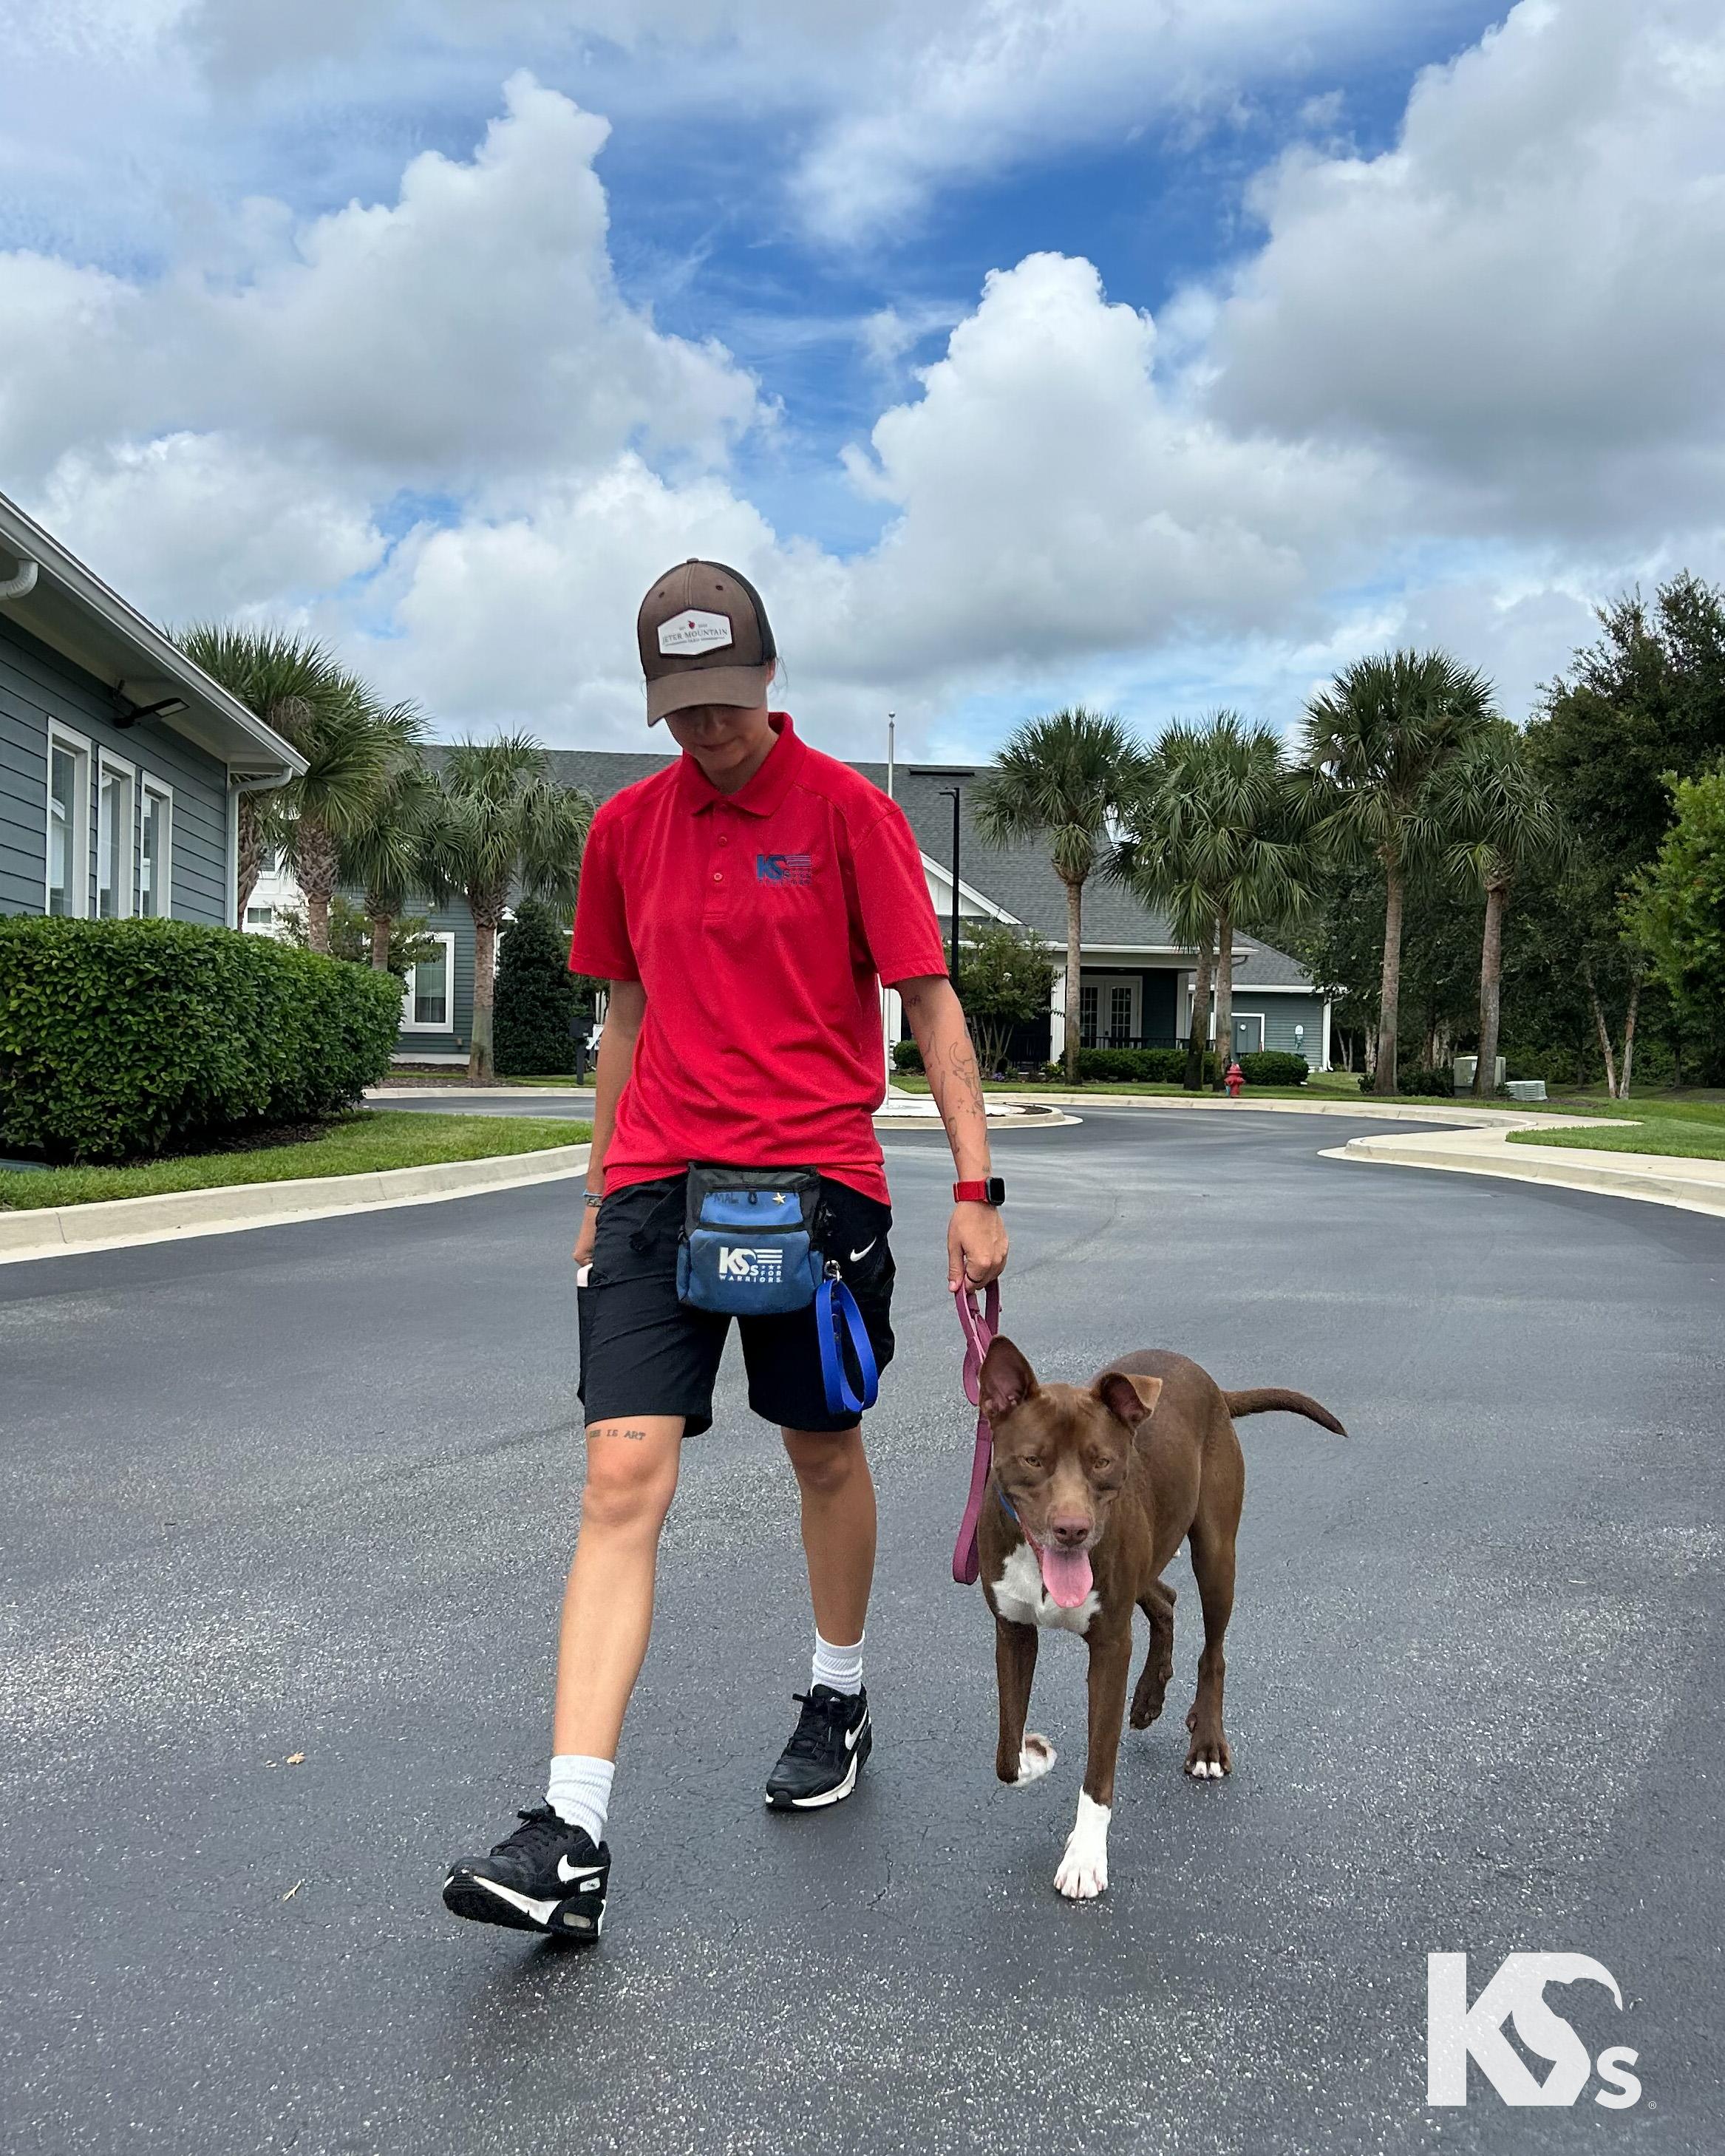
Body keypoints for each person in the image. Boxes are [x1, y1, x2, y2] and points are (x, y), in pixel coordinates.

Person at [443, 559, 1009, 1942]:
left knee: (821, 1448)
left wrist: (977, 1183)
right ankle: (569, 1829)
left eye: (721, 702)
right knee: (620, 1469)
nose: (703, 730)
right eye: (677, 707)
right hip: (656, 1183)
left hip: (817, 1182)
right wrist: (596, 1187)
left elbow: (928, 1010)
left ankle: (838, 1689)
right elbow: (625, 1018)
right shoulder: (626, 829)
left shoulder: (850, 818)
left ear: (766, 678)